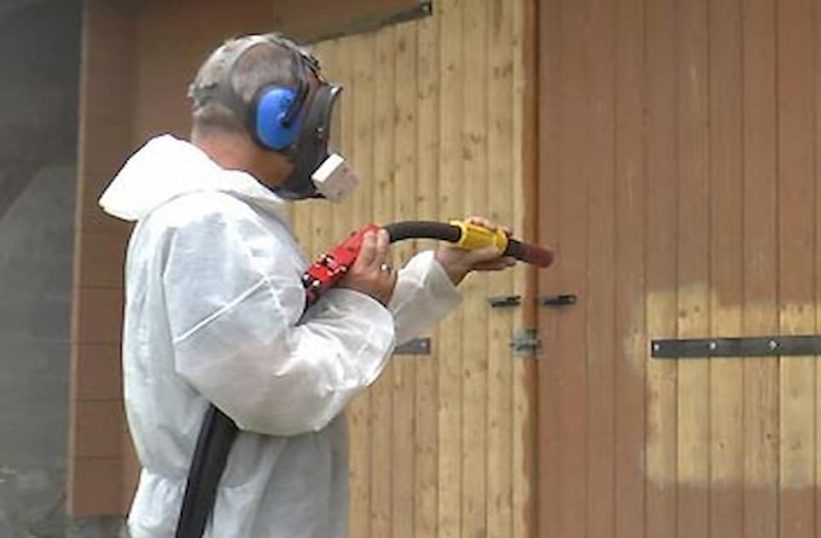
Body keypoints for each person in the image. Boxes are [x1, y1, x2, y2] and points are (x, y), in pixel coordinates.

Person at [99, 33, 513, 538]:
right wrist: (359, 303)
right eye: (317, 116)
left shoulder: (211, 216)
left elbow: (303, 339)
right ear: (281, 121)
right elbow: (278, 387)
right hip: (235, 522)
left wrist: (442, 269)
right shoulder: (210, 222)